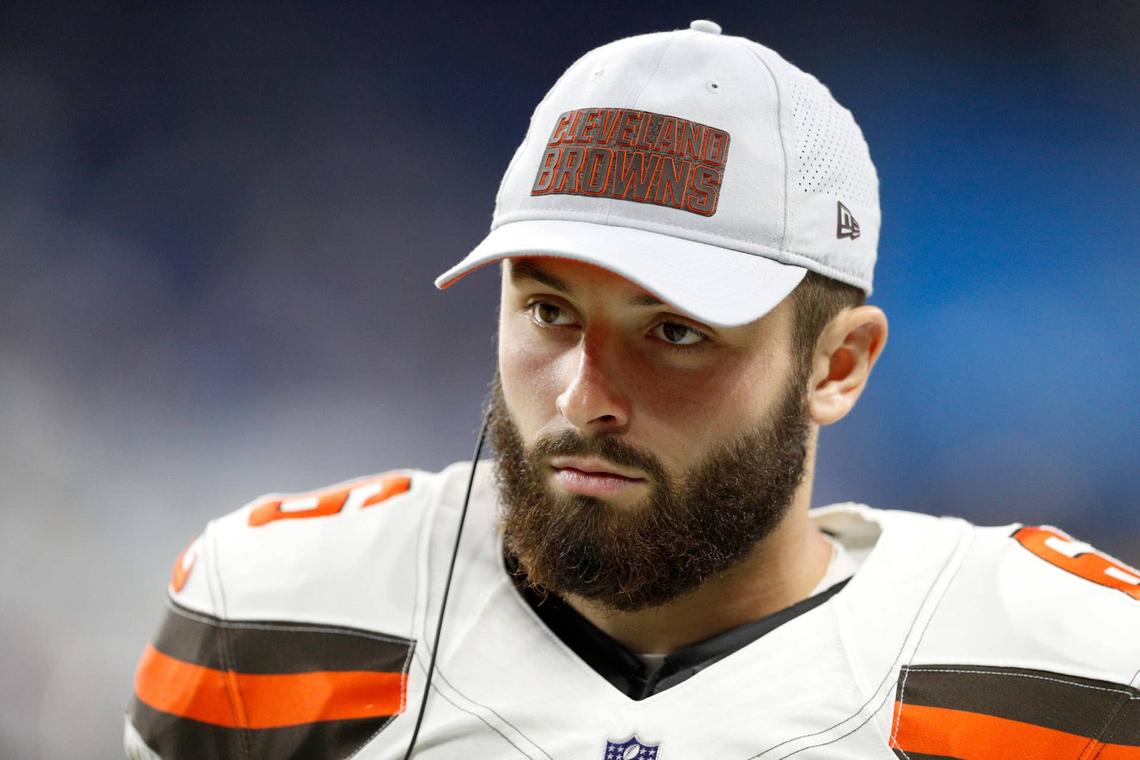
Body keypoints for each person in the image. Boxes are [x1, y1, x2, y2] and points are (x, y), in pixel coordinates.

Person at [125, 20, 1140, 760]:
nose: (582, 397)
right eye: (550, 312)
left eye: (675, 332)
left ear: (837, 365)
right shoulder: (273, 624)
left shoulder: (1064, 682)